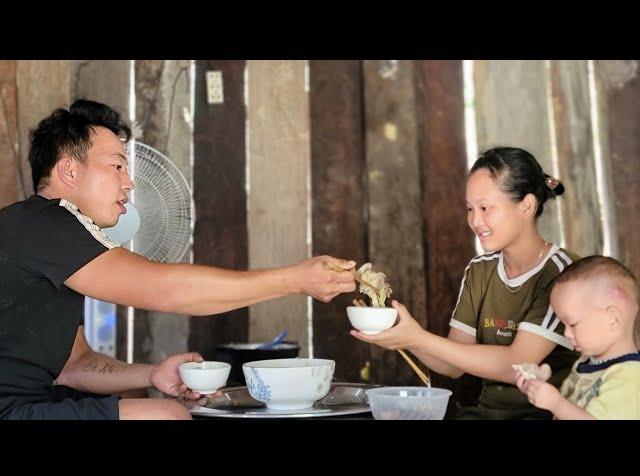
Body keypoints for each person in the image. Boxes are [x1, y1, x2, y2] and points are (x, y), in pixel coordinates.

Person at [0, 99, 356, 420]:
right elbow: (167, 290)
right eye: (117, 166)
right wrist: (293, 280)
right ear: (70, 172)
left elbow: (73, 366)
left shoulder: (46, 237)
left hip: (27, 402)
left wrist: (152, 374)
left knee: (133, 392)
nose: (129, 183)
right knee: (166, 415)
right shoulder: (46, 222)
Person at [352, 147, 580, 419]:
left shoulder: (564, 274)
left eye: (486, 208)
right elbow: (453, 366)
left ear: (527, 206)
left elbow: (518, 365)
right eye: (470, 209)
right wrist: (403, 334)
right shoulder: (480, 271)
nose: (475, 220)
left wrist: (419, 338)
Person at [516, 255, 640, 420]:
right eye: (563, 325)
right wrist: (540, 388)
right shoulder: (586, 362)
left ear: (613, 319)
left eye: (572, 324)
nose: (566, 333)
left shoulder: (629, 377)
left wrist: (556, 403)